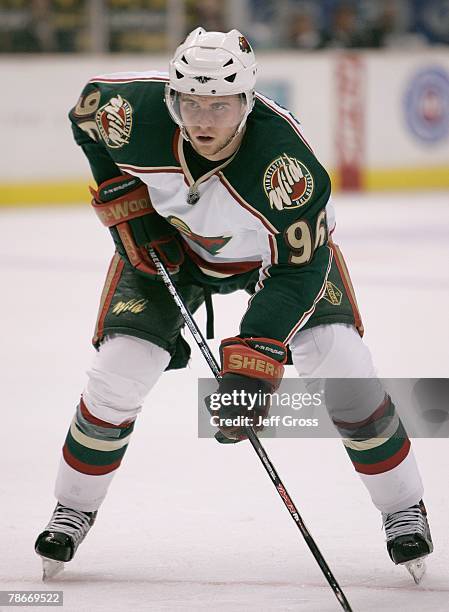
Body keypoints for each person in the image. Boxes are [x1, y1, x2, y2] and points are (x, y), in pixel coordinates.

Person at [35, 27, 433, 578]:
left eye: (220, 106)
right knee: (119, 371)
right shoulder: (134, 113)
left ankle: (403, 509)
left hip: (279, 265)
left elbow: (301, 269)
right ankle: (71, 509)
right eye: (191, 103)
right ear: (173, 97)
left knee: (340, 364)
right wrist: (124, 200)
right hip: (170, 251)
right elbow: (85, 117)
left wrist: (256, 356)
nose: (202, 121)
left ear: (247, 102)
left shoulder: (285, 169)